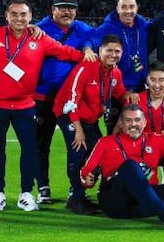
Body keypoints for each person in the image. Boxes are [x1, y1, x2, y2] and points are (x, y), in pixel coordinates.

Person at [0, 0, 88, 212]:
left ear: (31, 17)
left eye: (24, 14)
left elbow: (65, 52)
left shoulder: (39, 38)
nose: (19, 18)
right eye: (14, 14)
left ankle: (26, 194)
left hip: (25, 105)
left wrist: (88, 55)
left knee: (30, 150)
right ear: (6, 16)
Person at [53, 34, 139, 215]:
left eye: (117, 51)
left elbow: (119, 93)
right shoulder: (86, 67)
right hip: (69, 115)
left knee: (100, 153)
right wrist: (78, 130)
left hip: (90, 119)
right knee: (78, 151)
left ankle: (82, 193)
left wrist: (129, 95)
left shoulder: (115, 73)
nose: (113, 54)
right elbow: (71, 100)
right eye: (109, 50)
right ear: (100, 51)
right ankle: (75, 198)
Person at [33, 0, 95, 204]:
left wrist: (87, 47)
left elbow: (92, 39)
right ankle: (43, 187)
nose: (67, 11)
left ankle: (74, 188)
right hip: (42, 96)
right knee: (41, 144)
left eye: (71, 8)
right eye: (62, 7)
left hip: (69, 100)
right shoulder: (39, 29)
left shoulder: (82, 29)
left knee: (76, 145)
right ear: (53, 10)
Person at [93, 0, 151, 125]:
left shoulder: (144, 26)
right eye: (124, 7)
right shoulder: (107, 28)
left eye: (131, 7)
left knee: (139, 127)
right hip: (115, 90)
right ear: (117, 9)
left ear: (137, 8)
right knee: (115, 128)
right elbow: (91, 40)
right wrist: (88, 49)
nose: (128, 11)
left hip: (140, 88)